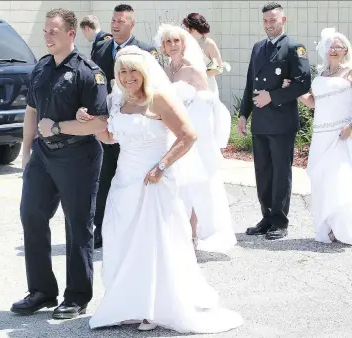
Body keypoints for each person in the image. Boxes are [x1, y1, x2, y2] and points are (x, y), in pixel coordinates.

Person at [78, 45, 243, 333]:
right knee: (121, 240)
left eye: (134, 71)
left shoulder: (159, 99)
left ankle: (154, 307)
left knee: (153, 243)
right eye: (123, 71)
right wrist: (89, 122)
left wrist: (162, 166)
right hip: (124, 182)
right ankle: (126, 303)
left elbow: (188, 135)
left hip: (154, 182)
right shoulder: (117, 101)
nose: (129, 77)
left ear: (144, 72)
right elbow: (109, 137)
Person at [10, 8, 109, 320]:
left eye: (54, 30)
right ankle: (41, 291)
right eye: (45, 30)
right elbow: (31, 110)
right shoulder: (40, 68)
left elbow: (99, 123)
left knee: (78, 225)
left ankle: (77, 296)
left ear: (70, 34)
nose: (47, 35)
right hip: (42, 155)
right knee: (31, 214)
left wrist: (57, 127)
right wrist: (26, 150)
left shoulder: (87, 72)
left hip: (78, 156)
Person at [283, 28, 352, 245]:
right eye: (330, 46)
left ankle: (346, 228)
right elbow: (313, 102)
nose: (333, 50)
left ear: (345, 50)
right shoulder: (321, 75)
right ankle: (329, 226)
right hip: (320, 134)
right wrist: (293, 89)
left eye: (338, 47)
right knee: (319, 177)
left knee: (339, 180)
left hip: (341, 133)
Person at [154, 23, 235, 253]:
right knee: (178, 184)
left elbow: (206, 103)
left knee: (197, 183)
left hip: (194, 133)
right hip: (171, 133)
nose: (172, 45)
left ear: (184, 43)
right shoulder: (165, 71)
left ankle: (195, 232)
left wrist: (196, 136)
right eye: (168, 42)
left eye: (176, 41)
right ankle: (178, 232)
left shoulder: (193, 70)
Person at [238, 2, 311, 240]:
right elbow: (251, 82)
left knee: (281, 172)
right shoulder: (258, 47)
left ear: (283, 20)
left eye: (273, 20)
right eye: (266, 21)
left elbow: (303, 84)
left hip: (281, 122)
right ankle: (267, 217)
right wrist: (243, 114)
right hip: (260, 122)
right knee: (263, 172)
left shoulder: (293, 48)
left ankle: (280, 221)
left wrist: (273, 96)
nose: (269, 25)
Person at [91, 4, 159, 249]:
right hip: (110, 123)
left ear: (131, 23)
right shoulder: (100, 48)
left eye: (121, 20)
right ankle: (99, 230)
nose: (115, 24)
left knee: (133, 180)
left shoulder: (146, 51)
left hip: (136, 128)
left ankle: (137, 230)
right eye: (113, 20)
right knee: (104, 177)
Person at [182, 13, 231, 96]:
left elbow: (219, 68)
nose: (186, 30)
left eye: (188, 28)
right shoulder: (185, 44)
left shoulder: (209, 43)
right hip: (189, 86)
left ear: (193, 29)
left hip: (207, 85)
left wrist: (200, 75)